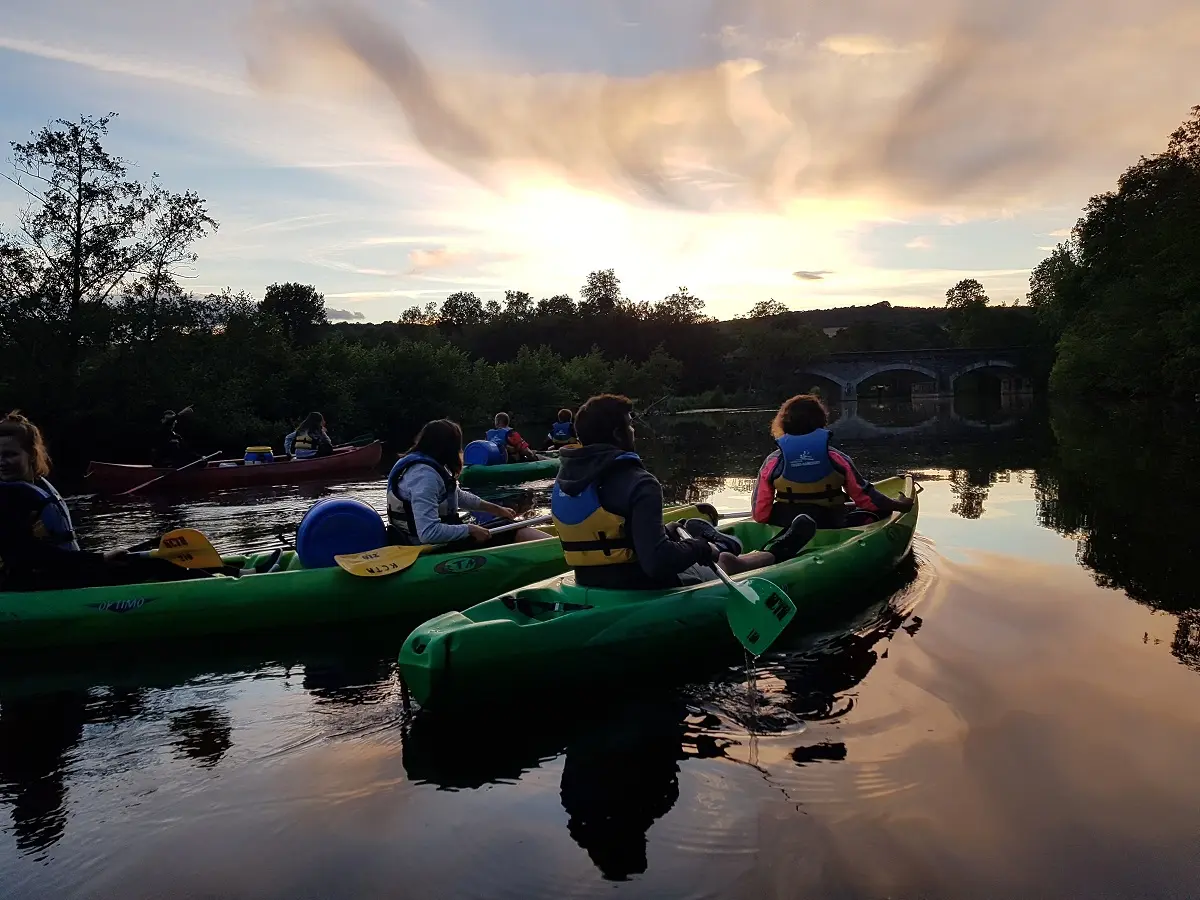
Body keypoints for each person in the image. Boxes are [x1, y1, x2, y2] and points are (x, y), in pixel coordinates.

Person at [551, 394, 816, 591]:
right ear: (617, 434)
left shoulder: (563, 483)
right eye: (630, 425)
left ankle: (705, 538)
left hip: (588, 583)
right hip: (646, 586)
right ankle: (775, 551)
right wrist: (699, 547)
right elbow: (658, 564)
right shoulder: (639, 482)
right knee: (721, 560)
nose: (633, 431)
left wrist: (667, 533)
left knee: (678, 534)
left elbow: (614, 534)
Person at [0, 412, 278, 592]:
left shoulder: (31, 487)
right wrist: (99, 559)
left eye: (9, 454)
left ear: (30, 454)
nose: (2, 461)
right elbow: (27, 555)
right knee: (159, 565)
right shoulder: (10, 497)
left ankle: (238, 571)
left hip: (68, 570)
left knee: (165, 545)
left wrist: (95, 561)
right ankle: (239, 584)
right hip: (36, 583)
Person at [752, 394, 914, 530]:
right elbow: (866, 499)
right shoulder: (837, 458)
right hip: (831, 524)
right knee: (876, 513)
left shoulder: (772, 462)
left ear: (783, 423)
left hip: (787, 525)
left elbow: (760, 513)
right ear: (821, 421)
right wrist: (898, 505)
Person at [388, 419, 552, 550]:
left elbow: (456, 495)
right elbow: (428, 533)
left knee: (507, 524)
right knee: (510, 529)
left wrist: (496, 509)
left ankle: (550, 544)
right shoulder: (424, 477)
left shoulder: (419, 464)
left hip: (425, 539)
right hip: (424, 547)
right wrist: (470, 529)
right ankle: (559, 552)